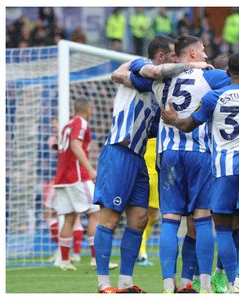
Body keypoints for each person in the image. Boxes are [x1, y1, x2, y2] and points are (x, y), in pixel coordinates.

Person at [161, 51, 239, 293]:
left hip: (223, 170)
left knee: (224, 229)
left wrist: (174, 119)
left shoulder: (214, 98)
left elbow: (189, 125)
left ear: (227, 73)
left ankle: (230, 283)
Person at [93, 38, 209, 293]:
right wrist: (194, 65)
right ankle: (103, 283)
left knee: (140, 218)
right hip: (119, 151)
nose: (176, 60)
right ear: (160, 55)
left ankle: (125, 281)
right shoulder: (141, 65)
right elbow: (146, 72)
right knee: (110, 219)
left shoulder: (162, 87)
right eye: (171, 56)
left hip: (138, 157)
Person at [126, 34, 231, 294]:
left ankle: (167, 286)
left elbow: (129, 73)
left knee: (170, 221)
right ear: (193, 54)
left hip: (169, 154)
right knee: (203, 220)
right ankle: (204, 285)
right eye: (203, 51)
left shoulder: (159, 78)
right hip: (198, 153)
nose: (207, 56)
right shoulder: (210, 76)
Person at [135, 35, 176, 267]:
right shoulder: (145, 75)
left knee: (153, 213)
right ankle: (139, 252)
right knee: (148, 211)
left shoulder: (169, 81)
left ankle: (140, 251)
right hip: (149, 151)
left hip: (159, 151)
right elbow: (125, 72)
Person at [53, 98, 108, 271]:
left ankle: (64, 261)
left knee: (69, 218)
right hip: (77, 177)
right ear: (88, 108)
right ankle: (95, 259)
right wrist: (91, 170)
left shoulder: (67, 125)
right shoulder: (81, 123)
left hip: (62, 178)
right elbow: (75, 146)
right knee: (96, 212)